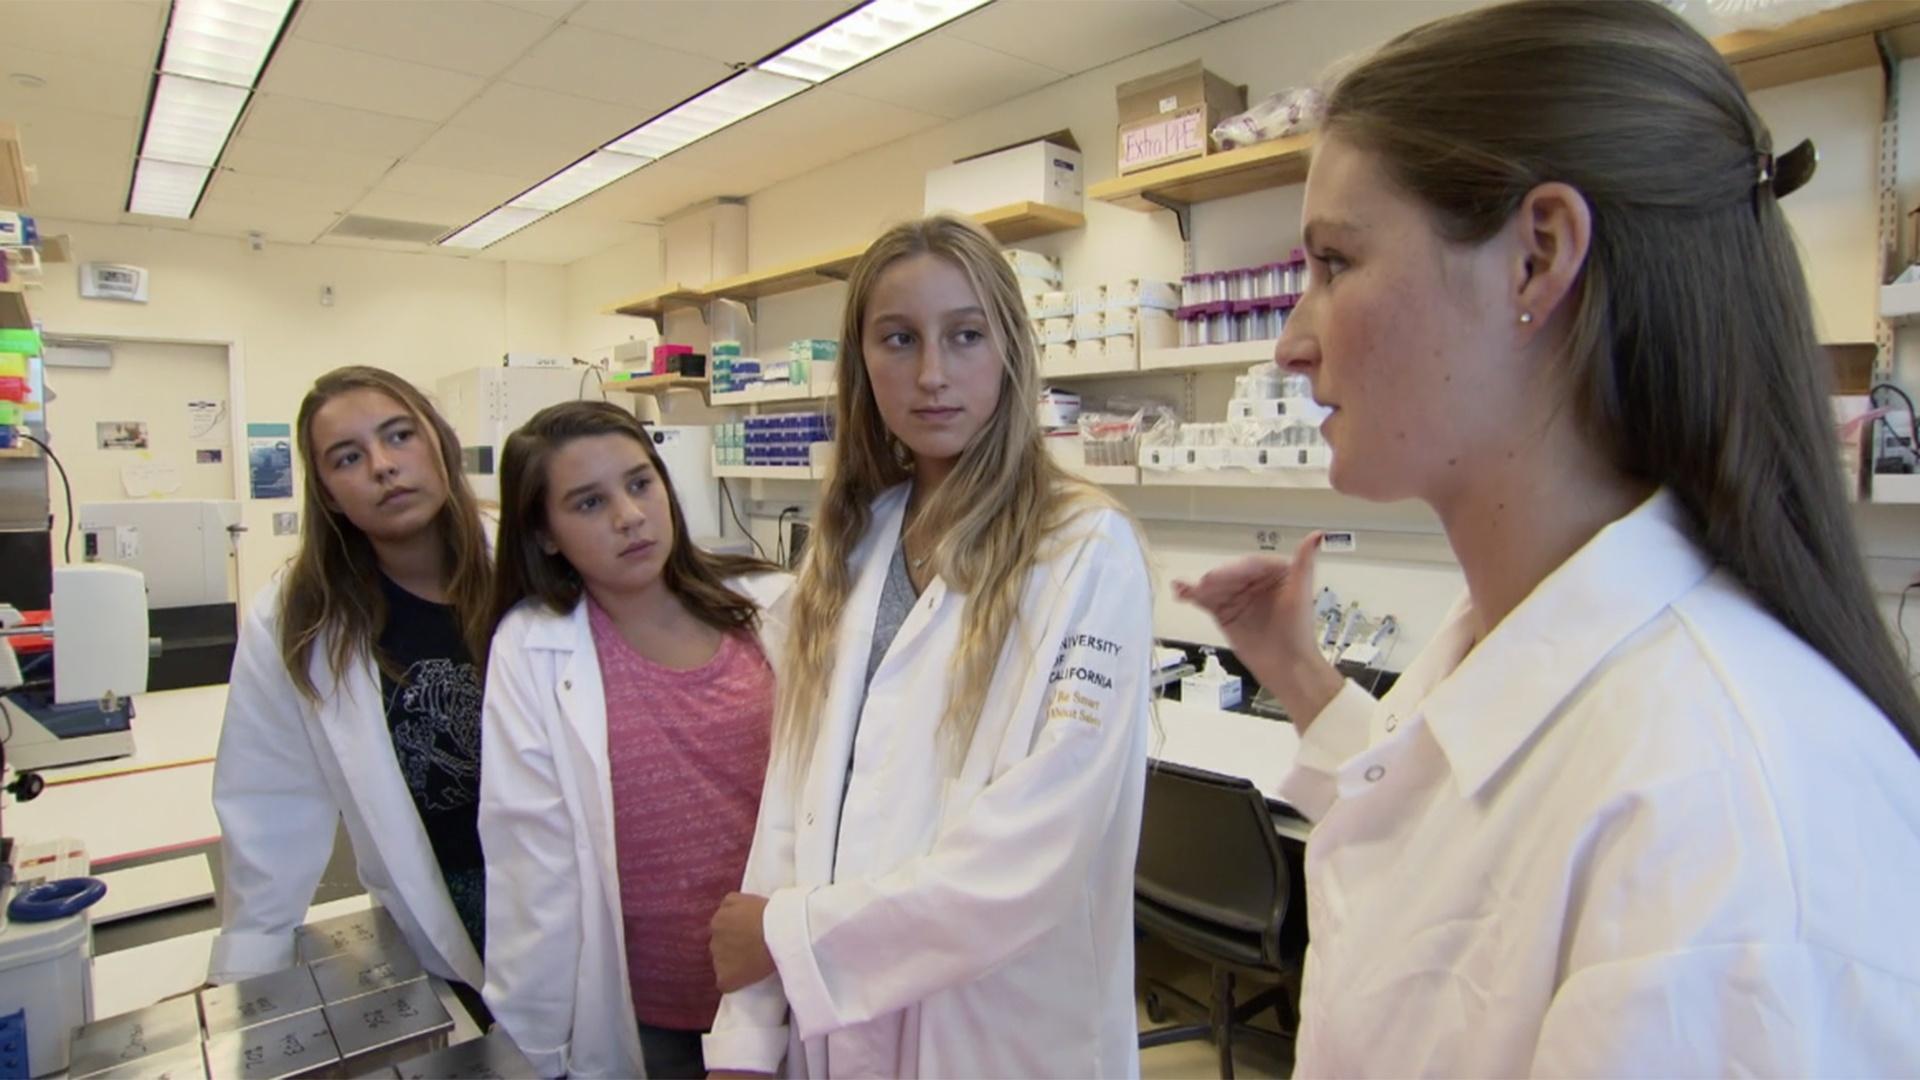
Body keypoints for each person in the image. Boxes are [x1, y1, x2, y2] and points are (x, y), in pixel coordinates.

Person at [1174, 1, 1920, 1073]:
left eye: (1334, 263)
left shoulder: (1722, 827)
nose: (1293, 343)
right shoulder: (1514, 639)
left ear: (1537, 259)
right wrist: (1299, 676)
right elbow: (1463, 837)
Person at [704, 215, 1155, 1078]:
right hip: (832, 1027)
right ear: (862, 363)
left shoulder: (1086, 550)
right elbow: (792, 803)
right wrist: (749, 1033)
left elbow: (1038, 847)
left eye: (965, 335)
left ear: (1011, 349)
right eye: (899, 339)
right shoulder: (852, 543)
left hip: (995, 1030)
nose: (933, 374)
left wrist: (791, 937)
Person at [477, 400, 790, 1079]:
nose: (629, 515)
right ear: (546, 532)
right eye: (588, 503)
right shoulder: (534, 649)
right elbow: (532, 867)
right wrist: (532, 1047)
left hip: (786, 981)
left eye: (640, 482)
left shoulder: (768, 604)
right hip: (652, 1011)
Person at [210, 366, 493, 1005]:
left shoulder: (530, 565)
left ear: (440, 444)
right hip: (439, 914)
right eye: (348, 457)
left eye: (399, 436)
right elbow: (268, 798)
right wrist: (248, 975)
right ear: (329, 494)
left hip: (576, 891)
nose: (383, 466)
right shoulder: (297, 619)